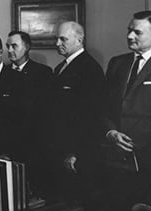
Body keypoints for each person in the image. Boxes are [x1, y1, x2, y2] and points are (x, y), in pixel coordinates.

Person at [49, 21, 105, 198]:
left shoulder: (90, 69)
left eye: (63, 39)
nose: (58, 43)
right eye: (57, 39)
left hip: (77, 153)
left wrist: (75, 153)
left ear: (79, 39)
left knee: (76, 205)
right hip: (59, 147)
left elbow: (91, 117)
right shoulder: (60, 68)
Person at [103, 11, 151, 211]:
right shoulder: (117, 63)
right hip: (113, 159)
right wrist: (111, 133)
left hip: (146, 161)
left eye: (137, 32)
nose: (130, 36)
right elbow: (102, 107)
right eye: (129, 30)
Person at [6, 30, 53, 193]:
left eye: (14, 46)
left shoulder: (43, 73)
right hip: (10, 144)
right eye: (7, 46)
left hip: (34, 144)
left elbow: (45, 113)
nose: (10, 50)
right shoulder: (3, 73)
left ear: (26, 47)